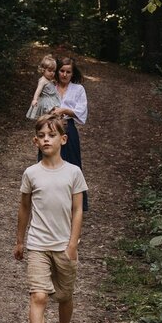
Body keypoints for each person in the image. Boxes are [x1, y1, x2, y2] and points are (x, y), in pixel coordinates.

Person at [14, 114, 87, 323]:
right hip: (37, 244)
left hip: (64, 245)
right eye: (42, 136)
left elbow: (78, 210)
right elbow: (24, 207)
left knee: (65, 296)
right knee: (39, 295)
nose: (47, 139)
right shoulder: (31, 173)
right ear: (36, 141)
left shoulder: (73, 173)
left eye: (52, 135)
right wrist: (20, 240)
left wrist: (72, 244)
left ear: (63, 139)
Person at [50, 56, 89, 212]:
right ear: (57, 71)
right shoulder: (49, 87)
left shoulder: (78, 89)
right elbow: (39, 107)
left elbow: (82, 112)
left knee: (72, 165)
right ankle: (51, 202)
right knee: (49, 163)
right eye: (62, 71)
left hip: (69, 129)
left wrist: (65, 110)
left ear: (73, 73)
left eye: (68, 72)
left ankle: (76, 203)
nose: (64, 74)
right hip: (50, 129)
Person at [25, 54, 61, 120]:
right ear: (43, 70)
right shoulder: (42, 80)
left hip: (52, 100)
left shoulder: (49, 80)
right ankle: (46, 126)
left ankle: (54, 125)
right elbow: (38, 90)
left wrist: (54, 83)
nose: (52, 73)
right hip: (46, 102)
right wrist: (35, 99)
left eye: (54, 71)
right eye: (49, 71)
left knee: (53, 115)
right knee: (47, 116)